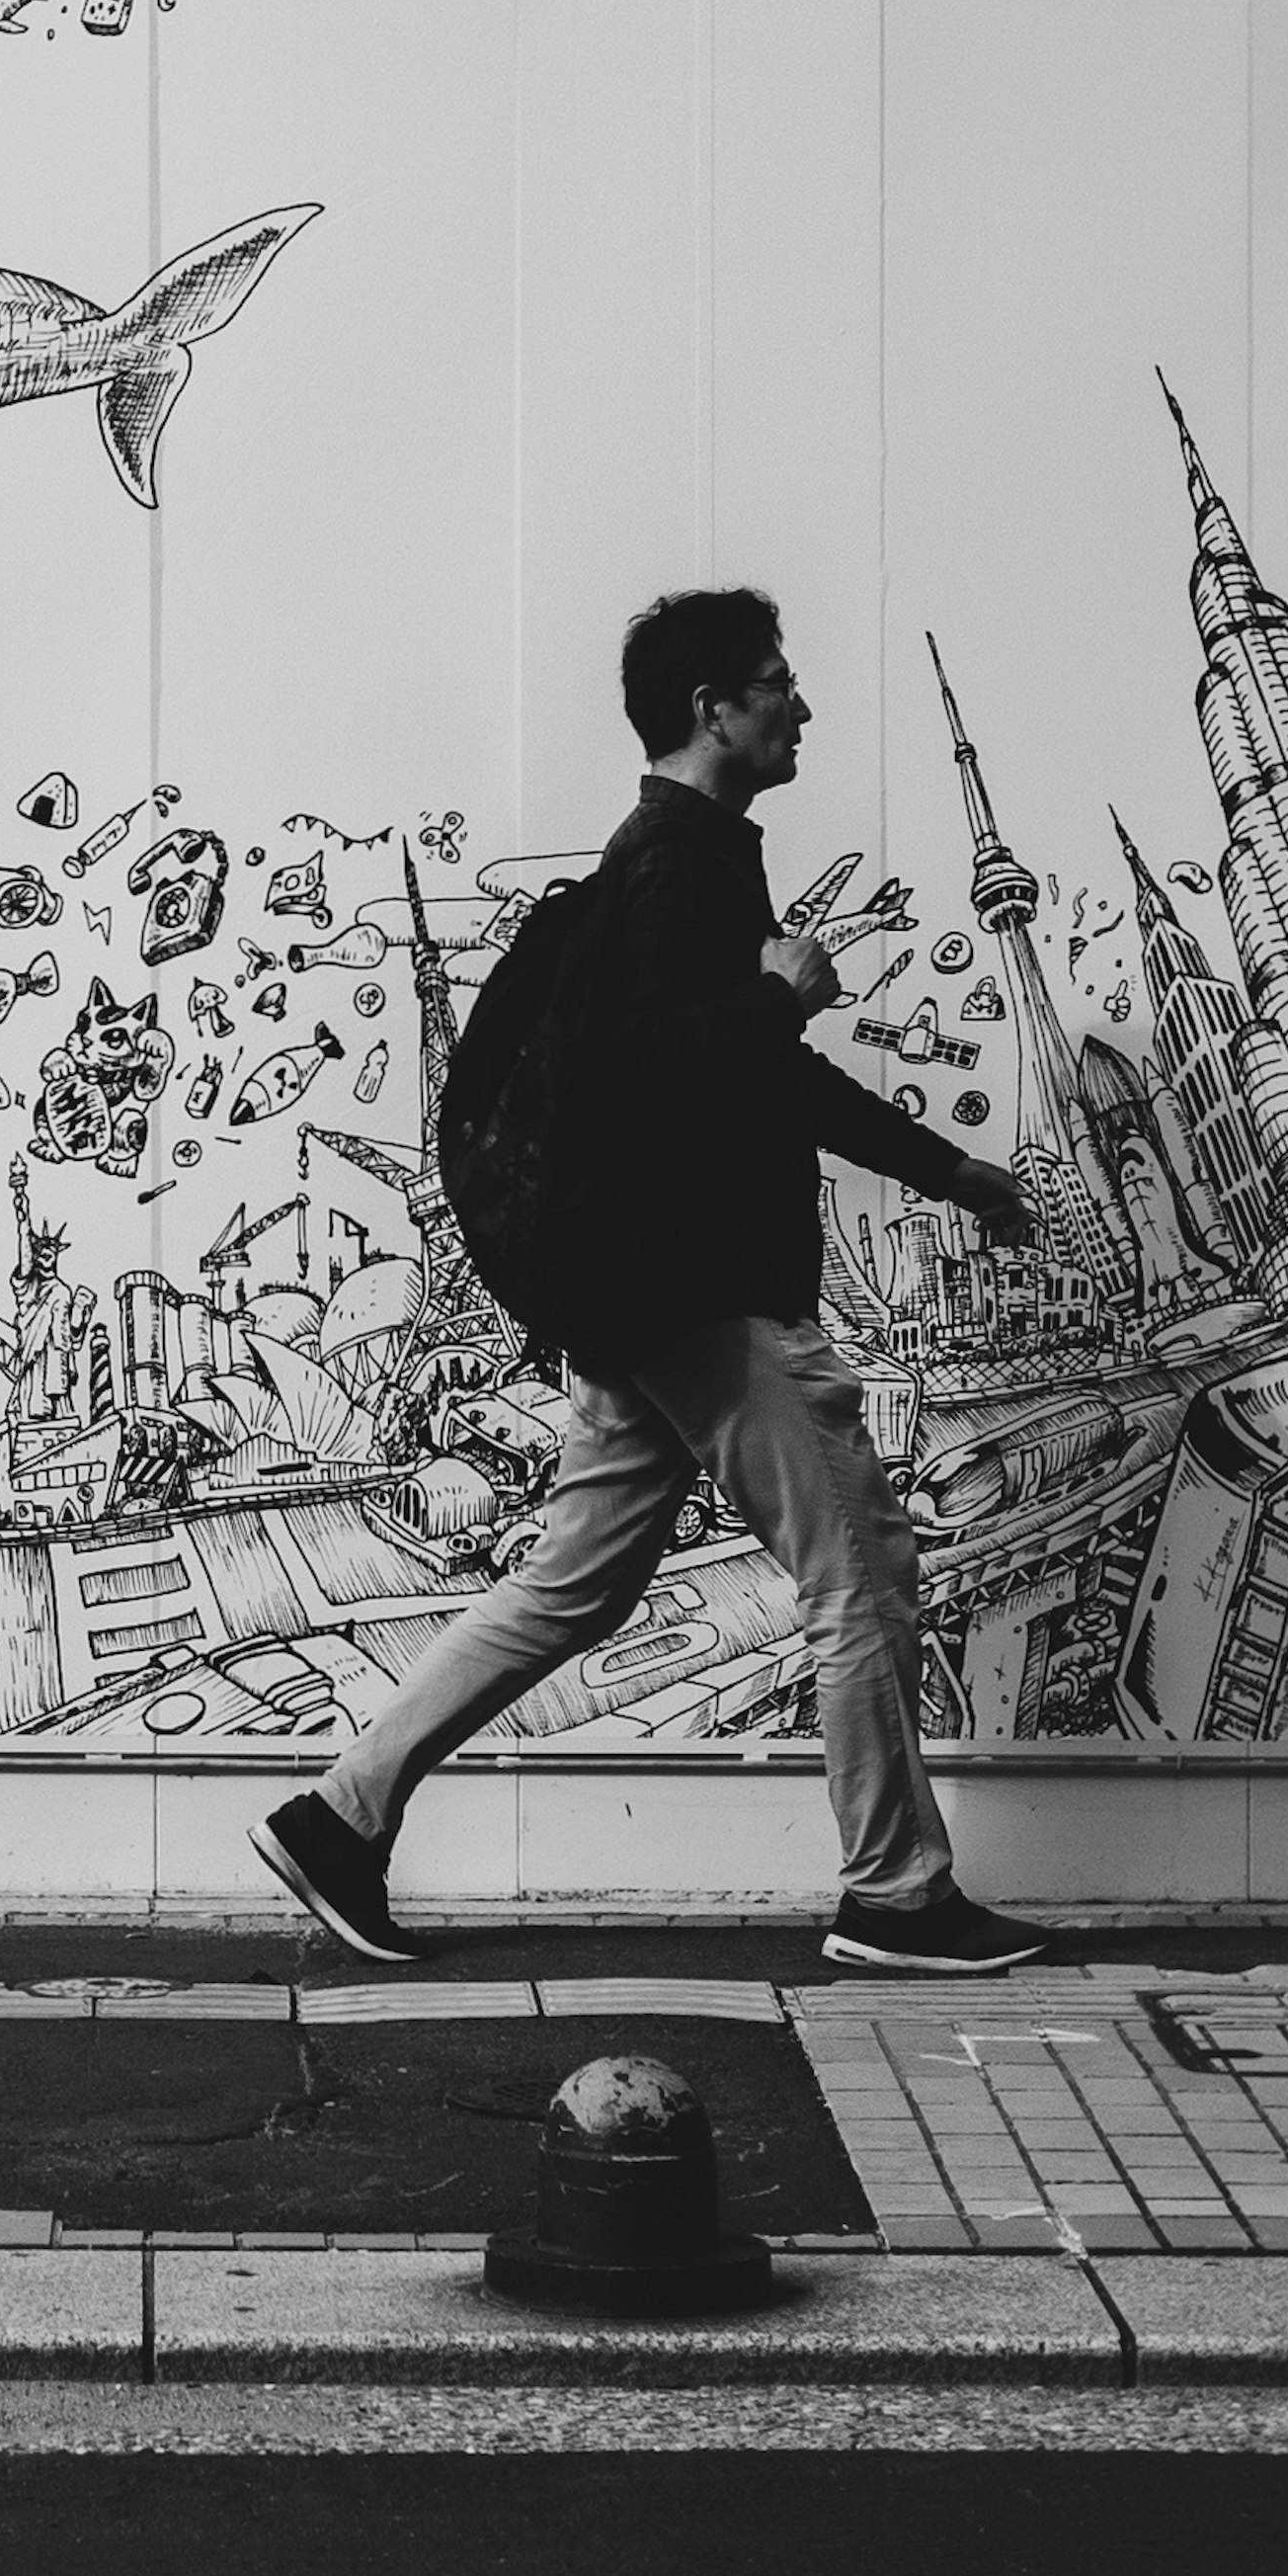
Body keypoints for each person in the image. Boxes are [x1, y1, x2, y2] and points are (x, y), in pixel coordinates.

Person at [256, 587, 1049, 1979]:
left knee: (572, 1584)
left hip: (642, 1296)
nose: (800, 705)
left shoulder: (689, 854)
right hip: (705, 1297)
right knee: (860, 1565)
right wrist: (779, 990)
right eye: (777, 683)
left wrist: (948, 1172)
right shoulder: (678, 860)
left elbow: (752, 1075)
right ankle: (897, 1893)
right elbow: (644, 1069)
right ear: (713, 709)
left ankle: (341, 1816)